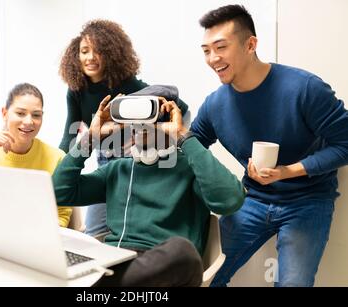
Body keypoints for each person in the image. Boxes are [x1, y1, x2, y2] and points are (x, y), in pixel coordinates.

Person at [191, 4, 348, 287]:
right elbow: (191, 149)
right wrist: (171, 134)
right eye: (206, 50)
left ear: (250, 44)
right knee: (202, 277)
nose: (213, 58)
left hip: (308, 201)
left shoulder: (305, 88)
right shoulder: (215, 105)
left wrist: (288, 171)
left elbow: (345, 144)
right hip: (251, 198)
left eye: (221, 47)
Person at [52, 91, 245, 287]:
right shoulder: (118, 169)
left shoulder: (190, 167)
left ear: (168, 120)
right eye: (134, 118)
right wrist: (90, 138)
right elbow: (58, 192)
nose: (140, 125)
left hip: (163, 270)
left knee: (183, 251)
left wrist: (183, 136)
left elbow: (231, 200)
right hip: (116, 262)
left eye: (149, 116)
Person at [59, 19, 189, 236]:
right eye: (84, 51)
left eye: (97, 51)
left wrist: (165, 138)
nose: (90, 57)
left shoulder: (126, 84)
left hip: (132, 162)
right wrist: (56, 167)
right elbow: (68, 137)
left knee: (132, 226)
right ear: (76, 55)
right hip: (104, 160)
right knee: (94, 231)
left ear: (110, 54)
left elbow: (180, 107)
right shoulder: (76, 91)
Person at [0, 83, 72, 227]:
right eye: (20, 113)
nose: (29, 121)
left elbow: (62, 214)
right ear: (4, 113)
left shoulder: (57, 158)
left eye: (36, 115)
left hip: (41, 239)